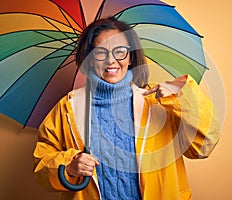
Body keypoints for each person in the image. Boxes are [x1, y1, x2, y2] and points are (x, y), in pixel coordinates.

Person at [33, 17, 220, 200]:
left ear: (130, 57)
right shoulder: (68, 108)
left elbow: (203, 146)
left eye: (120, 51)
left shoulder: (159, 103)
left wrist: (182, 98)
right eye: (100, 53)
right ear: (90, 59)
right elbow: (42, 162)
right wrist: (69, 166)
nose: (111, 61)